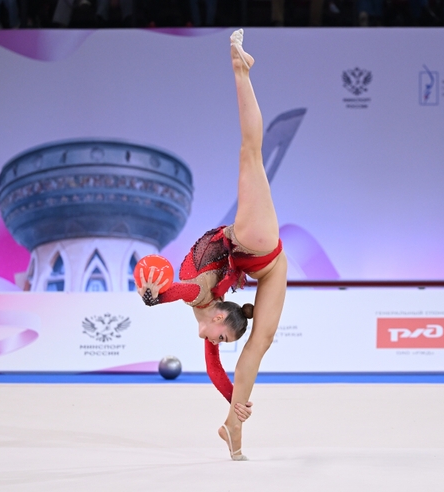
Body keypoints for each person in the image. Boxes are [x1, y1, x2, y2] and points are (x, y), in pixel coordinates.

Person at [137, 29, 288, 461]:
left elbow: (186, 295)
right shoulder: (209, 306)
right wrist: (160, 295)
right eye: (222, 339)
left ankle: (240, 70)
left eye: (219, 338)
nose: (217, 342)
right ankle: (234, 428)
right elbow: (212, 363)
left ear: (218, 314)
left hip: (258, 252)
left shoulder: (202, 301)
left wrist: (158, 294)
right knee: (260, 343)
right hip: (263, 251)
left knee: (250, 153)